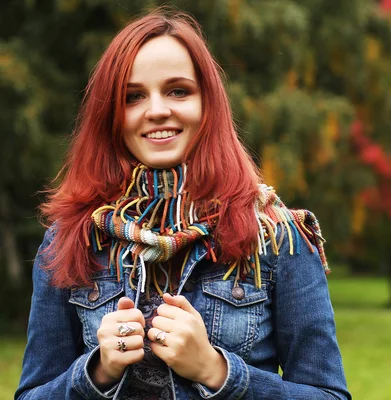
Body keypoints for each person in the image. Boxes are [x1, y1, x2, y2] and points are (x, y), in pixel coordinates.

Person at [15, 7, 350, 400]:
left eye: (178, 90)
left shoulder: (277, 235)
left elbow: (330, 395)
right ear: (111, 114)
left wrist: (217, 371)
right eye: (133, 96)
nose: (157, 110)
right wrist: (97, 372)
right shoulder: (70, 238)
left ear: (208, 103)